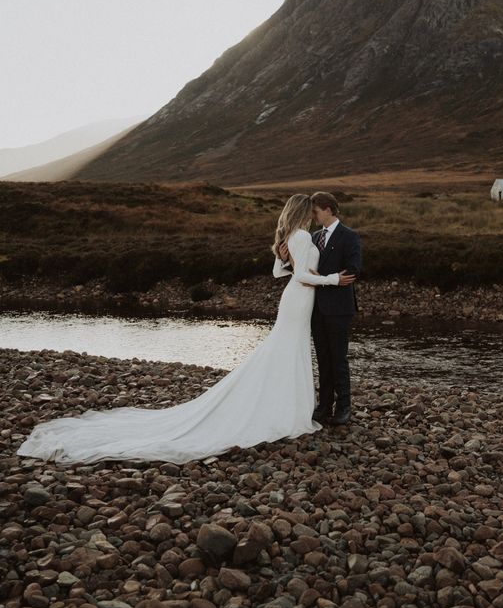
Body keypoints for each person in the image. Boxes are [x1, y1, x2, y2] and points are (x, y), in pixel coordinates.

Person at [16, 194, 352, 465]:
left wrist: (285, 259)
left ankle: (284, 405)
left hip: (295, 300)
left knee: (284, 351)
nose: (313, 214)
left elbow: (280, 272)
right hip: (300, 298)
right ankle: (286, 409)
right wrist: (332, 279)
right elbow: (298, 276)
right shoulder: (304, 235)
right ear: (301, 212)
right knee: (287, 350)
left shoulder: (290, 236)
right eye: (309, 209)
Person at [277, 191, 362, 426]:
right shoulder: (312, 236)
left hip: (338, 307)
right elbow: (301, 267)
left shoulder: (349, 237)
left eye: (315, 211)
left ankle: (344, 407)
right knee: (323, 358)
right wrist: (286, 260)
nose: (312, 215)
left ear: (328, 210)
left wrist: (323, 277)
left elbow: (353, 270)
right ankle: (324, 406)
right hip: (313, 307)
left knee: (338, 358)